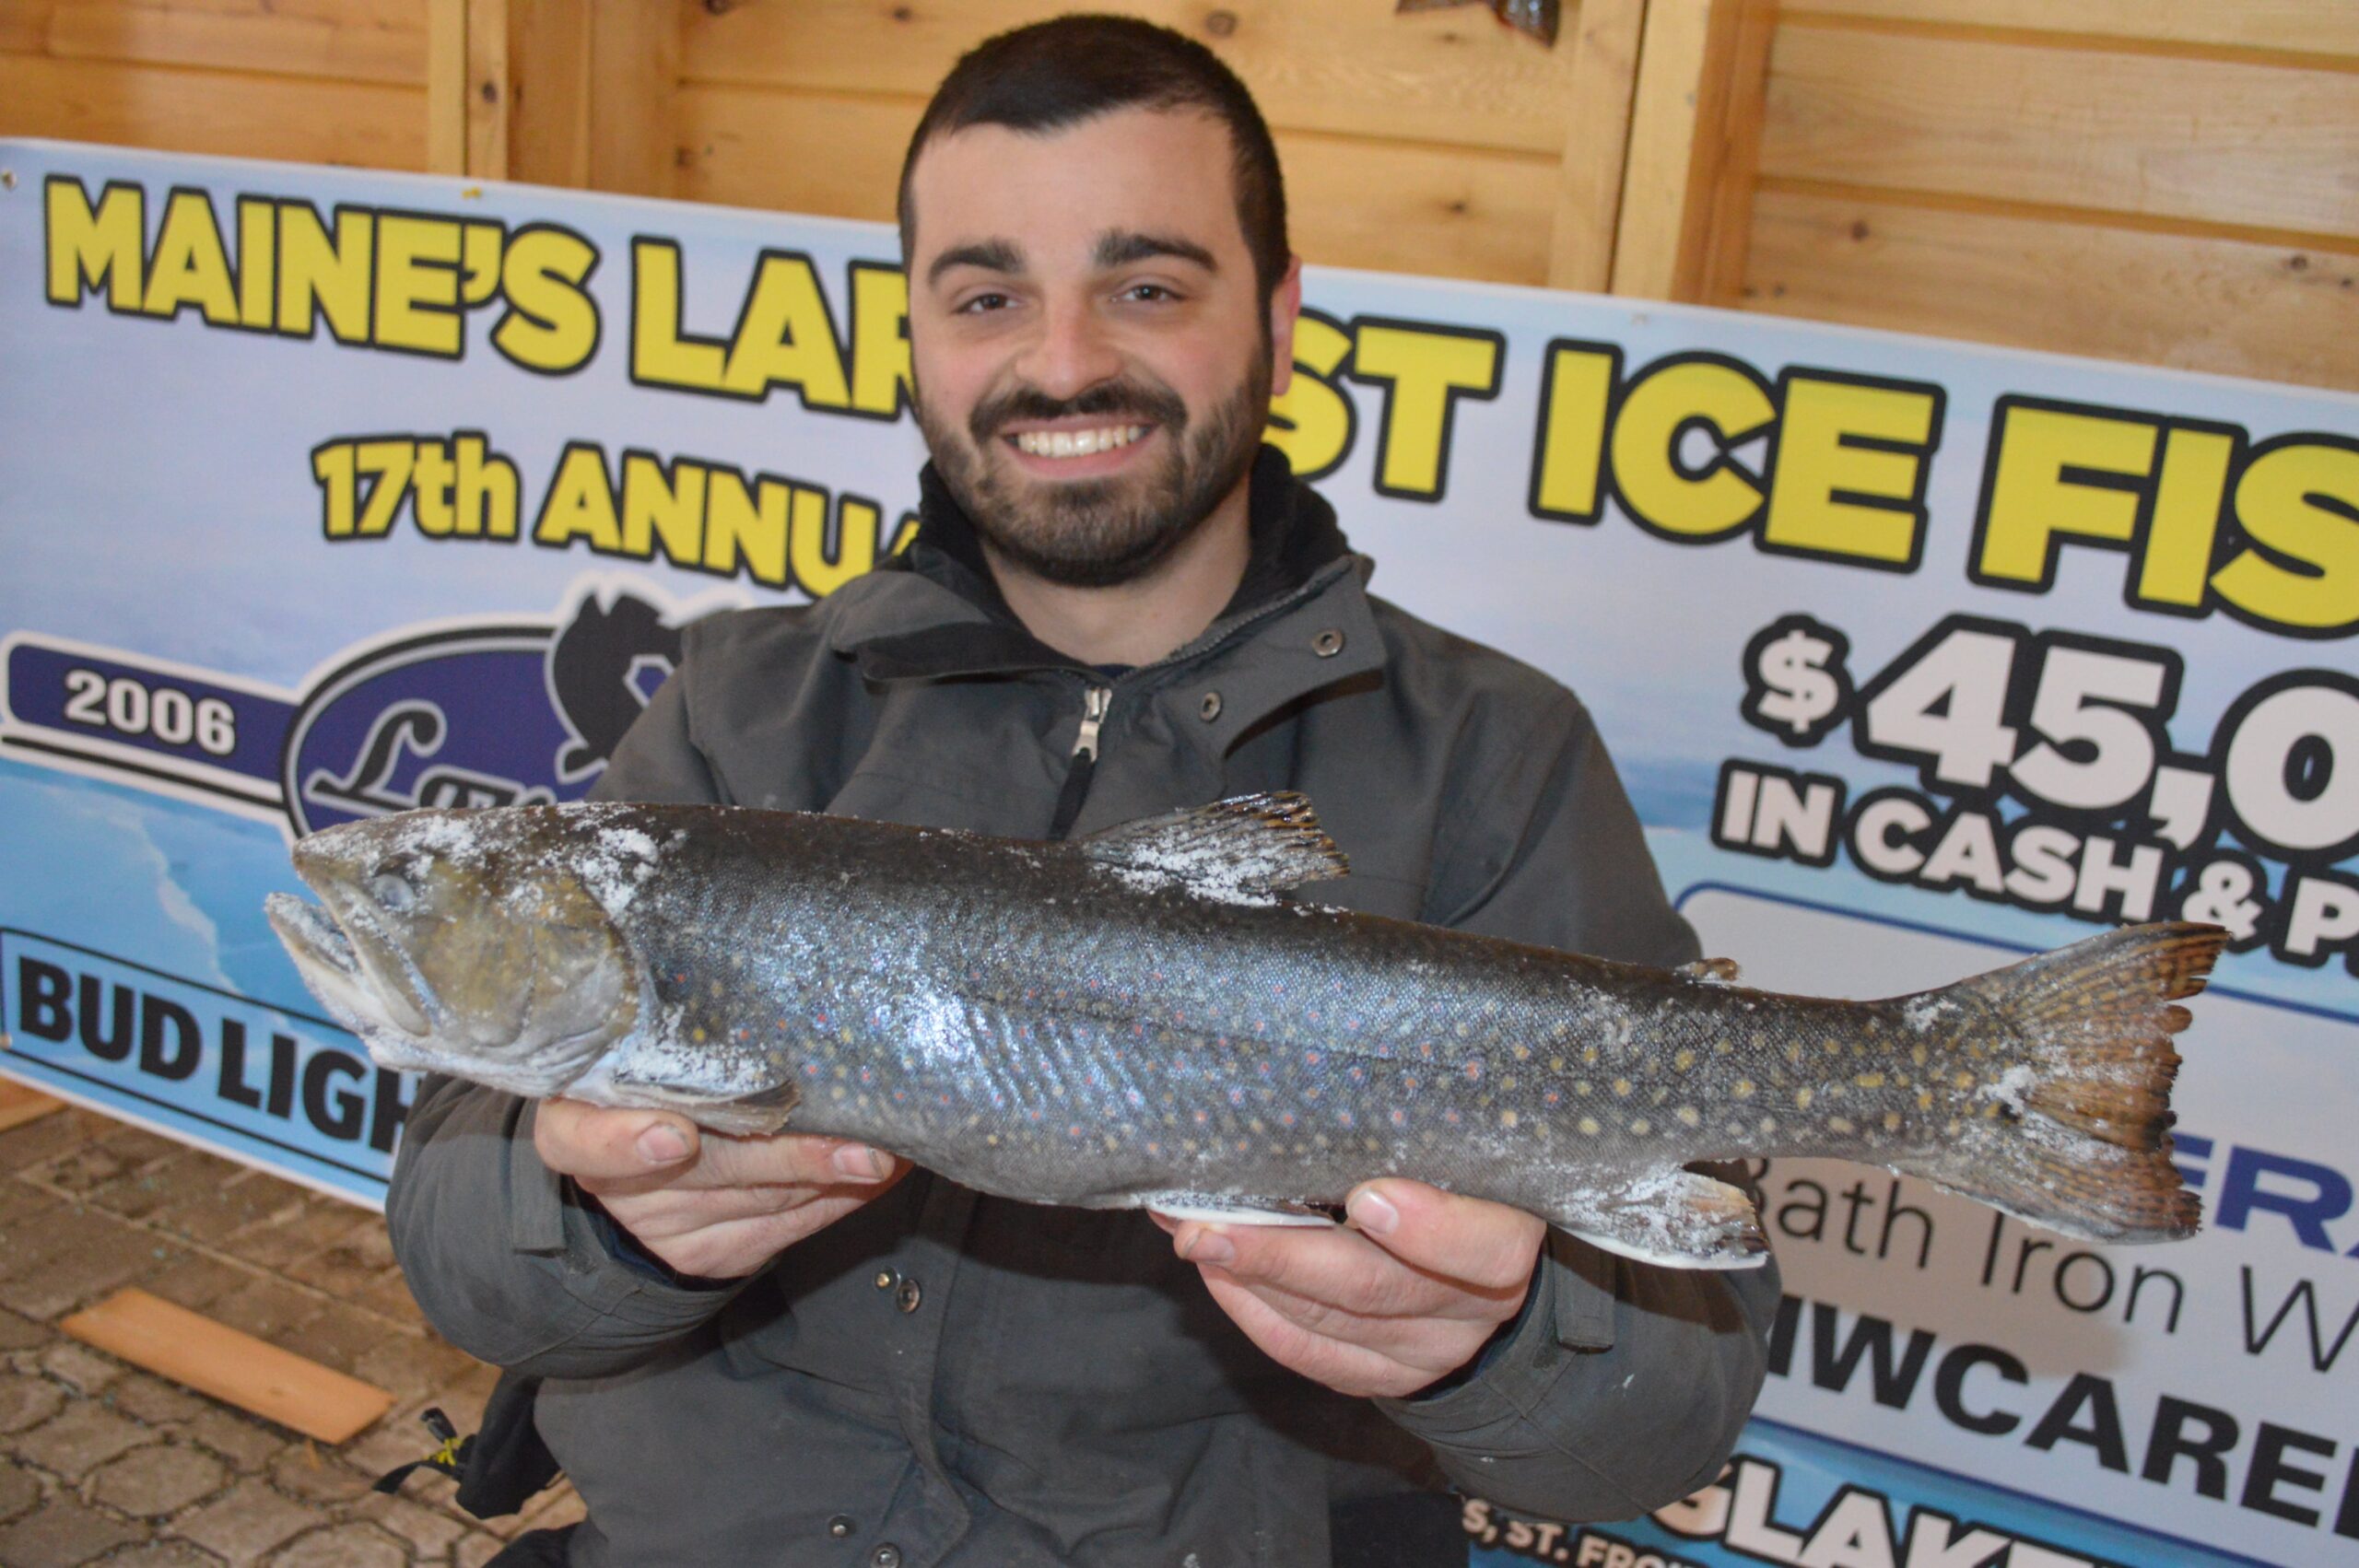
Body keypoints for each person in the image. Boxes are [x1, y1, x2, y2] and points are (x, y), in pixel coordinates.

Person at [387, 16, 1778, 1566]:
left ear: (1282, 314)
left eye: (1148, 286)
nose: (1061, 363)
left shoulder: (1493, 756)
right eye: (989, 295)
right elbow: (461, 1247)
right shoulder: (736, 711)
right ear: (913, 329)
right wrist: (592, 1220)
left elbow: (1679, 1388)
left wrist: (1497, 1341)